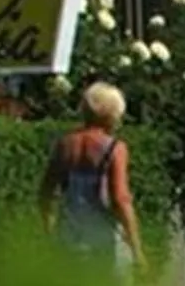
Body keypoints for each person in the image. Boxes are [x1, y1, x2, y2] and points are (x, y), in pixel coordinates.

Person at [40, 81, 145, 273]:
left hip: (68, 236)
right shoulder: (115, 148)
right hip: (101, 239)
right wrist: (137, 249)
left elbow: (46, 191)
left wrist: (49, 228)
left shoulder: (65, 144)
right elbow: (120, 198)